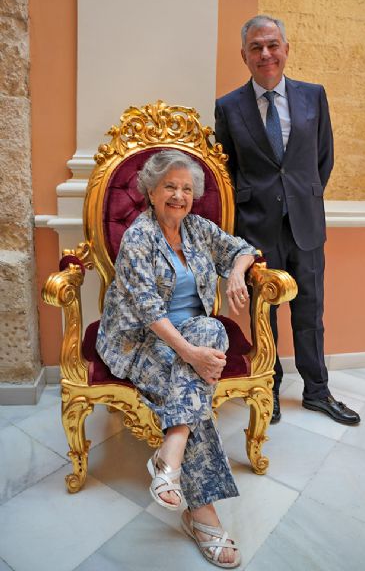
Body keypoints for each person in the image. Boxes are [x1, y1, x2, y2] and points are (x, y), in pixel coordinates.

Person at [97, 149, 258, 568]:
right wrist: (192, 356)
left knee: (211, 329)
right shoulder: (138, 236)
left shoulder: (199, 230)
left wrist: (236, 272)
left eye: (186, 188)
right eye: (169, 186)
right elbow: (148, 310)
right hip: (140, 341)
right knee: (198, 359)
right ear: (150, 191)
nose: (179, 195)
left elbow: (243, 248)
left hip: (190, 336)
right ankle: (202, 515)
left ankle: (172, 449)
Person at [215, 14, 360, 426]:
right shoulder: (227, 107)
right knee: (265, 315)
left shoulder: (314, 97)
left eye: (272, 45)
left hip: (306, 222)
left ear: (286, 49)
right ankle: (269, 389)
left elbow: (322, 158)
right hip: (256, 227)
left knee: (311, 310)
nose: (266, 54)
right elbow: (226, 171)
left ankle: (317, 391)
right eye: (256, 48)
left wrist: (303, 196)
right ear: (244, 56)